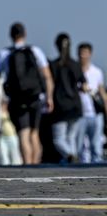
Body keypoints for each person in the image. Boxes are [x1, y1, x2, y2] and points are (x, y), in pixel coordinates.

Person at [0, 22, 53, 165]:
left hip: (17, 98)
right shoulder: (35, 51)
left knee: (23, 133)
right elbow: (48, 76)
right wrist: (49, 97)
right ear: (25, 34)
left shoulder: (5, 53)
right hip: (35, 96)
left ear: (11, 35)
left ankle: (27, 163)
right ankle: (35, 164)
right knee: (34, 133)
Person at [49, 33, 84, 163]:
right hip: (75, 105)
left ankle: (69, 156)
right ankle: (73, 163)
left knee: (58, 139)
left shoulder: (53, 65)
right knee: (71, 137)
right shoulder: (75, 64)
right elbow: (83, 84)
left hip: (60, 106)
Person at [74, 42, 105, 163]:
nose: (83, 56)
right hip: (80, 114)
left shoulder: (97, 72)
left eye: (85, 53)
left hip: (95, 114)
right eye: (81, 53)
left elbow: (102, 93)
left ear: (90, 54)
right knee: (81, 147)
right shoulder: (74, 71)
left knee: (96, 146)